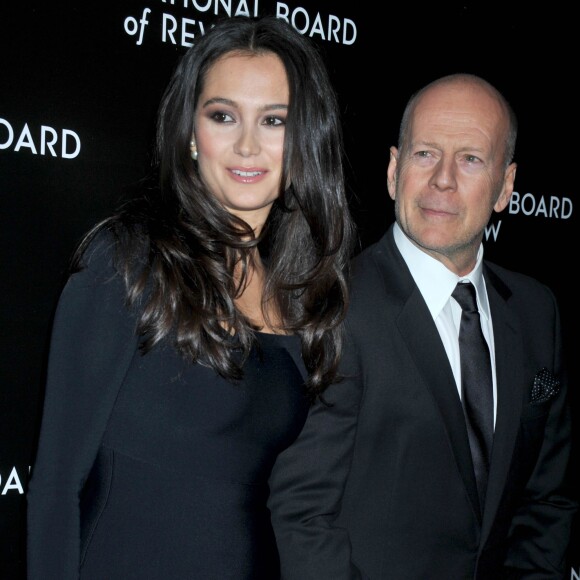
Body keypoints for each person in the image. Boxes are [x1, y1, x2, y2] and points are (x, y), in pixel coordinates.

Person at [26, 15, 356, 580]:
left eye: (274, 120)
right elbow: (56, 487)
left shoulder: (300, 297)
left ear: (304, 140)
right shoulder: (127, 262)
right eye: (223, 116)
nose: (248, 144)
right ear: (189, 134)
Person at [269, 73, 577, 579]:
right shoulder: (335, 305)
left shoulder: (536, 310)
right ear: (393, 171)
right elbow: (303, 518)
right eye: (425, 154)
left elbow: (546, 501)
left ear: (506, 186)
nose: (443, 180)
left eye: (471, 159)